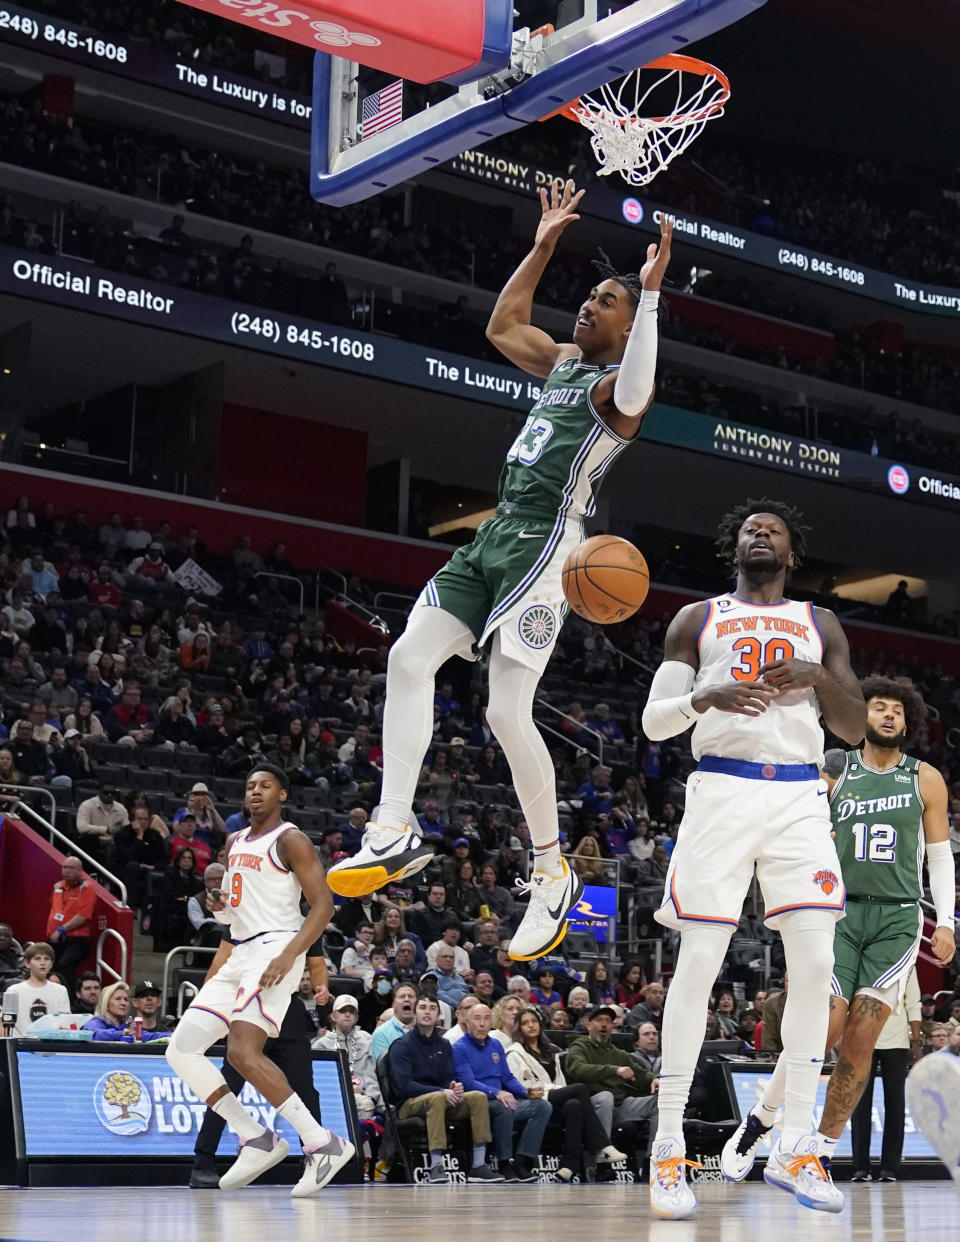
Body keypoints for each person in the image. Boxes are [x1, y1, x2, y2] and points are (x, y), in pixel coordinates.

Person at [327, 185, 672, 970]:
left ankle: (552, 873)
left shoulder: (618, 395)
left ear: (628, 328)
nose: (589, 306)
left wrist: (649, 298)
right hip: (494, 534)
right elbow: (501, 325)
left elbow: (641, 382)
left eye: (606, 302)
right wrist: (545, 242)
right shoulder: (559, 362)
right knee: (407, 658)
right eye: (590, 295)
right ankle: (393, 828)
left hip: (548, 546)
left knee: (507, 712)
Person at [640, 499, 867, 1218]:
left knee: (815, 971)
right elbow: (653, 724)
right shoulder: (696, 620)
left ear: (792, 554)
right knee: (699, 964)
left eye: (771, 530)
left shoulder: (819, 624)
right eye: (747, 529)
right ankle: (668, 1146)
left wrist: (816, 676)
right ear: (732, 547)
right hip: (723, 794)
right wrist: (706, 694)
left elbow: (855, 725)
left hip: (801, 797)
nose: (758, 534)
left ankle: (796, 1145)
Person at [723, 677, 956, 1192]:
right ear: (862, 714)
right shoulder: (835, 769)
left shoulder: (926, 778)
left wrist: (950, 922)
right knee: (822, 1026)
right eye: (879, 706)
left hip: (897, 919)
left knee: (860, 1039)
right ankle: (759, 1122)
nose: (889, 715)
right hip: (838, 912)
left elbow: (939, 856)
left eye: (898, 709)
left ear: (909, 720)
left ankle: (817, 1153)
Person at [164, 763, 354, 1198]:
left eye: (265, 785)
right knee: (182, 1049)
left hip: (275, 948)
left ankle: (321, 1143)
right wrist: (220, 909)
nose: (255, 791)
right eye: (250, 786)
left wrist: (292, 956)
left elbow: (322, 906)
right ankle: (254, 1137)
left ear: (281, 794)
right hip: (240, 948)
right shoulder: (232, 842)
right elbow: (235, 912)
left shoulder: (292, 840)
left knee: (243, 1052)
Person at [190, 930, 326, 1189]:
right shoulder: (242, 916)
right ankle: (203, 1162)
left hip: (288, 1008)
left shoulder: (304, 922)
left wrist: (323, 988)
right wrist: (205, 1008)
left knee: (306, 1091)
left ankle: (315, 1159)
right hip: (247, 1005)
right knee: (227, 1087)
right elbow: (220, 961)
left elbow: (317, 965)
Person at [389, 992, 503, 1184]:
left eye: (432, 1008)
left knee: (477, 1096)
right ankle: (436, 1166)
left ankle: (478, 1165)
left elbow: (448, 1079)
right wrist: (442, 1092)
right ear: (415, 1013)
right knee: (437, 1097)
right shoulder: (402, 1045)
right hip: (407, 1104)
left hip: (439, 1098)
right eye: (423, 1008)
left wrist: (453, 1087)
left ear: (438, 1015)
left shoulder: (444, 1044)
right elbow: (404, 1086)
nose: (427, 1012)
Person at [507, 1005, 625, 1180]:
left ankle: (569, 1166)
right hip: (535, 1099)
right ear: (519, 1028)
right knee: (579, 1089)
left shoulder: (550, 1050)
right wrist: (555, 1089)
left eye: (534, 1021)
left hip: (555, 1098)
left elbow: (560, 1082)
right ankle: (602, 1145)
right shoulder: (514, 1052)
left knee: (574, 1105)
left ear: (540, 1024)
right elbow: (522, 1084)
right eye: (525, 1023)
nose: (531, 1025)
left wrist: (558, 1089)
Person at [452, 1002, 552, 1181]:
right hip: (477, 1102)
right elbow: (467, 1082)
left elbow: (507, 1077)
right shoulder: (459, 1048)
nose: (482, 1024)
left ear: (492, 1022)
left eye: (486, 1019)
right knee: (503, 1106)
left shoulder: (496, 1045)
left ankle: (521, 1161)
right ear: (467, 1022)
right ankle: (504, 1163)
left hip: (500, 1099)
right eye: (477, 1019)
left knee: (543, 1106)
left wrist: (525, 1091)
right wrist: (496, 1093)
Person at [848, 968, 922, 1182]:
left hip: (897, 1041)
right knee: (860, 1104)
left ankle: (890, 1167)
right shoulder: (862, 956)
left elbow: (914, 1002)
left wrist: (915, 1041)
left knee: (895, 1104)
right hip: (863, 1038)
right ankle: (860, 1167)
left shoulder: (907, 963)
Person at [565, 1005, 659, 1149]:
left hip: (619, 1106)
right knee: (605, 1097)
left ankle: (653, 1158)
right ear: (589, 1025)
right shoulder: (578, 1047)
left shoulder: (617, 1053)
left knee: (660, 1102)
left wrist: (653, 1079)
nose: (604, 1024)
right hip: (590, 1105)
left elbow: (640, 1073)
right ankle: (602, 1152)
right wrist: (614, 1070)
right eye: (599, 1020)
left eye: (608, 1021)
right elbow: (578, 1069)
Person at [314, 994, 382, 1119]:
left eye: (351, 1011)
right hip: (333, 1096)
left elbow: (372, 1073)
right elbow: (320, 1079)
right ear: (333, 1016)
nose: (347, 1014)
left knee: (366, 1104)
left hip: (363, 1095)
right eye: (342, 1011)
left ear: (356, 1018)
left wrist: (372, 1096)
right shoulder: (321, 1044)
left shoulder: (367, 1039)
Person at [45, 856, 96, 989]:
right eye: (64, 867)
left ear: (80, 871)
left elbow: (83, 916)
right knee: (47, 968)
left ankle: (74, 997)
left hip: (77, 939)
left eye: (71, 868)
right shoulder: (57, 886)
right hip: (55, 939)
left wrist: (61, 930)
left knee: (64, 964)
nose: (66, 870)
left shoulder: (86, 887)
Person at [1, 942, 70, 1035]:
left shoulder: (60, 990)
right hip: (21, 1046)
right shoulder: (13, 991)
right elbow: (5, 1024)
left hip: (51, 1046)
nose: (42, 963)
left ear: (51, 964)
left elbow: (64, 1023)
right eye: (37, 959)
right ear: (27, 963)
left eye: (46, 959)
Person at [371, 982, 418, 1060]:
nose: (407, 999)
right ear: (393, 1005)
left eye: (411, 996)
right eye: (402, 996)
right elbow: (384, 1068)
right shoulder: (381, 1033)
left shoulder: (426, 1029)